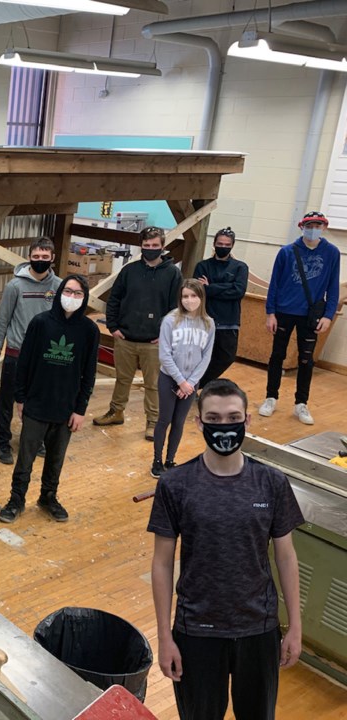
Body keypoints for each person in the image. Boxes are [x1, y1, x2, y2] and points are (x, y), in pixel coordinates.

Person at [149, 379, 303, 720]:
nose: (224, 426)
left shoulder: (272, 483)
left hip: (258, 629)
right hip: (196, 631)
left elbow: (286, 557)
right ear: (199, 421)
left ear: (247, 420)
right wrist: (164, 637)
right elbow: (161, 564)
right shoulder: (175, 485)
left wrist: (295, 626)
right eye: (214, 418)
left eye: (233, 417)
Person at [0, 275, 99, 524]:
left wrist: (80, 409)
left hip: (66, 409)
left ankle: (48, 497)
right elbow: (24, 363)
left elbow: (89, 373)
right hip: (37, 404)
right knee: (25, 458)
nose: (72, 297)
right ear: (59, 292)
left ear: (84, 298)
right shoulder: (40, 323)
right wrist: (20, 398)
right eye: (68, 291)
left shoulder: (89, 330)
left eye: (78, 293)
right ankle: (16, 499)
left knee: (55, 459)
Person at [94, 226, 182, 441]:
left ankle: (153, 421)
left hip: (154, 342)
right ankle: (116, 412)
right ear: (141, 246)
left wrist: (165, 336)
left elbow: (176, 309)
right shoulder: (129, 271)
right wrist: (113, 327)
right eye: (146, 246)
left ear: (162, 247)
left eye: (155, 246)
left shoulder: (172, 274)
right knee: (122, 379)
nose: (150, 249)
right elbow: (114, 299)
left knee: (153, 384)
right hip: (125, 338)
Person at [0, 238, 60, 465]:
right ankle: (2, 443)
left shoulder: (59, 287)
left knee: (39, 402)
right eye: (36, 257)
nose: (40, 261)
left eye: (45, 257)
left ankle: (35, 440)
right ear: (29, 257)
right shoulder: (14, 286)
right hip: (17, 354)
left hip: (46, 356)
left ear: (52, 259)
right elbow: (3, 320)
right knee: (7, 401)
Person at [260, 211, 341, 425]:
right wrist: (271, 313)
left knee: (306, 360)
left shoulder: (332, 253)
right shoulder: (287, 252)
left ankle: (301, 403)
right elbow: (274, 284)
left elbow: (333, 287)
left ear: (324, 227)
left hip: (311, 315)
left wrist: (328, 315)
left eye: (317, 225)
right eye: (309, 225)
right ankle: (271, 397)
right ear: (301, 227)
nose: (313, 229)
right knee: (277, 355)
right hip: (284, 312)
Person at [152, 279, 214, 479]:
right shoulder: (170, 320)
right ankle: (157, 461)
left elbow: (206, 356)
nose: (189, 300)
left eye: (194, 296)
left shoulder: (208, 323)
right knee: (165, 420)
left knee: (179, 422)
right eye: (185, 296)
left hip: (191, 382)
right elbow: (164, 355)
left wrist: (190, 383)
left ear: (201, 297)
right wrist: (181, 381)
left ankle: (171, 460)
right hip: (170, 378)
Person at [193, 227, 249, 389]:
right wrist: (225, 287)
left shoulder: (240, 267)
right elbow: (198, 290)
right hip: (204, 320)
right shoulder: (203, 266)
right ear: (214, 243)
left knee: (226, 357)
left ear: (232, 245)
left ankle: (198, 385)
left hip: (228, 321)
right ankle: (188, 387)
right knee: (199, 357)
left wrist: (211, 288)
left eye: (227, 244)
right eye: (220, 243)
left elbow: (238, 291)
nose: (223, 246)